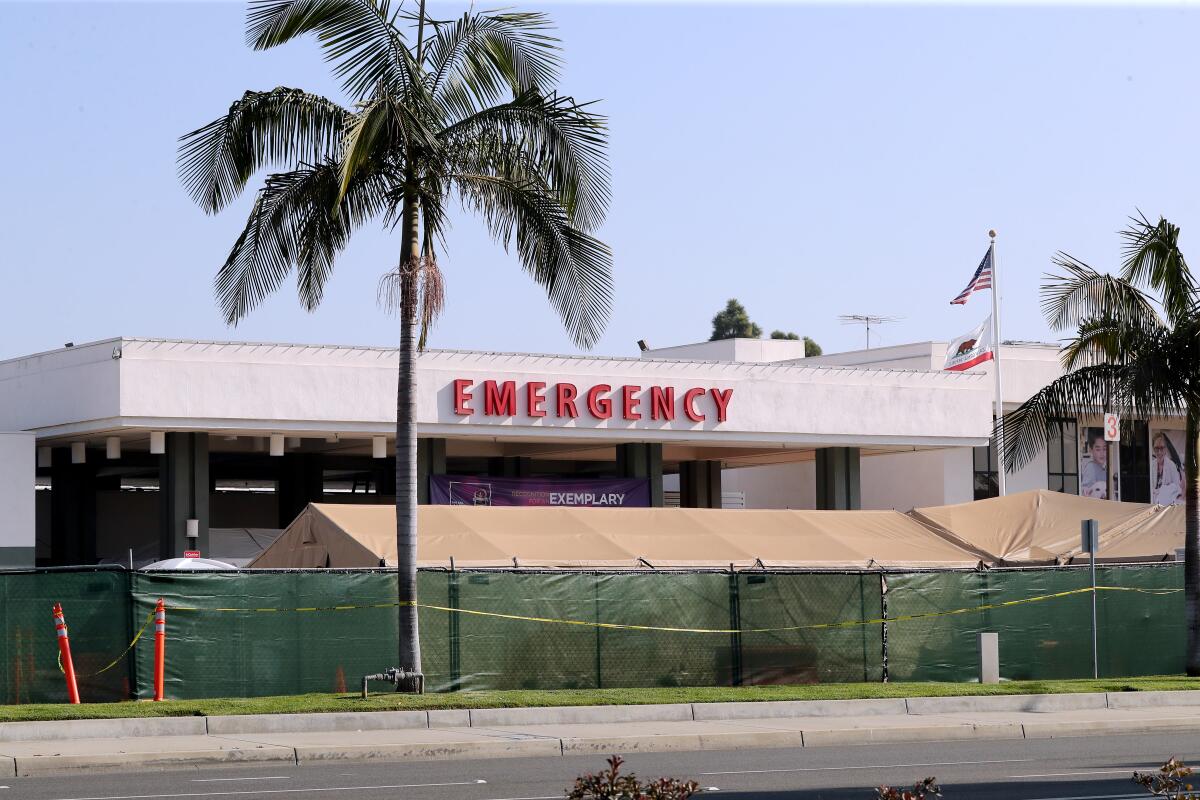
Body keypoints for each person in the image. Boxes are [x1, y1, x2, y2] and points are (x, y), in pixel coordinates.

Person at [1152, 432, 1184, 506]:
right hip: (1152, 504)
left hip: (1167, 505)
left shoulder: (1171, 466)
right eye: (1156, 448)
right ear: (1153, 448)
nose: (1159, 452)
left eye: (1162, 448)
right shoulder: (1151, 465)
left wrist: (1168, 489)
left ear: (1166, 448)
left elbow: (1178, 488)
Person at [1080, 429, 1110, 499]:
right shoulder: (1091, 468)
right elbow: (1085, 492)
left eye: (1105, 449)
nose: (1102, 453)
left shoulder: (1104, 468)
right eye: (1098, 449)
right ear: (1091, 450)